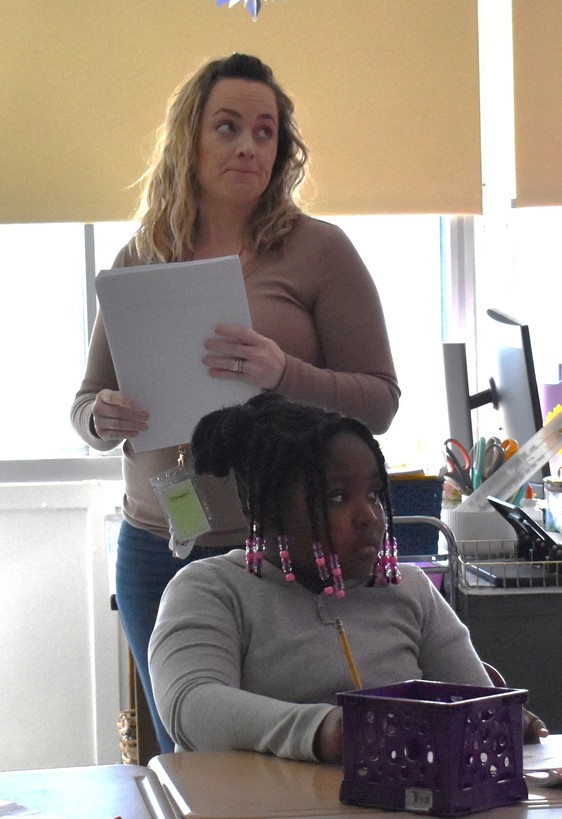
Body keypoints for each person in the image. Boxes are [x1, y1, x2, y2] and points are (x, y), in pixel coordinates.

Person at [69, 54, 400, 753]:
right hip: (155, 546)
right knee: (191, 759)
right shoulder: (144, 255)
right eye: (228, 127)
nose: (249, 146)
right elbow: (84, 406)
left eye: (266, 131)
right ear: (191, 139)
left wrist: (286, 372)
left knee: (283, 753)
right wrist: (103, 417)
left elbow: (380, 402)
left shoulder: (320, 251)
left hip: (278, 561)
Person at [149, 393, 547, 762]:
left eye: (374, 494)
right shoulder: (211, 590)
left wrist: (499, 718)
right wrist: (324, 731)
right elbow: (191, 704)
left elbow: (475, 703)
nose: (369, 516)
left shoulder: (409, 591)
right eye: (337, 498)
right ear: (267, 511)